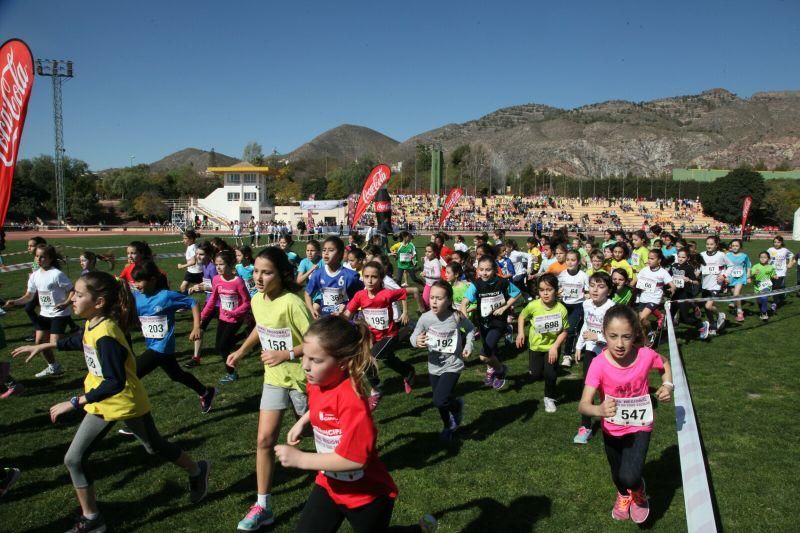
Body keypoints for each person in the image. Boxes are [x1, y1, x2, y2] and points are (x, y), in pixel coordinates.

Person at [11, 272, 210, 532]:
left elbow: (115, 382)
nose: (73, 298)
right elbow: (81, 340)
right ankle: (93, 519)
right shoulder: (94, 324)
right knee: (74, 459)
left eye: (79, 295)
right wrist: (46, 346)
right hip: (102, 401)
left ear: (99, 301)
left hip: (123, 401)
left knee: (154, 446)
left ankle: (197, 471)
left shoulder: (106, 333)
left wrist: (74, 402)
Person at [274, 316, 398, 532]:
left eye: (316, 360)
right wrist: (303, 421)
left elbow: (355, 459)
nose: (305, 366)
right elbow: (321, 407)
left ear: (342, 363)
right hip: (329, 485)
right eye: (305, 356)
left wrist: (301, 459)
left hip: (366, 496)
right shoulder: (318, 383)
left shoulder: (352, 402)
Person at [226, 247, 312, 531]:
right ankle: (263, 505)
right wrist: (241, 351)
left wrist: (286, 354)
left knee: (317, 433)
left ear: (281, 274)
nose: (259, 278)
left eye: (267, 272)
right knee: (264, 440)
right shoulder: (256, 300)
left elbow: (316, 344)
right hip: (274, 378)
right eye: (256, 271)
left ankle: (348, 466)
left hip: (304, 381)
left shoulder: (293, 303)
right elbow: (261, 327)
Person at [577, 305, 673, 524]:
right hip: (612, 428)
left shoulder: (645, 355)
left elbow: (664, 363)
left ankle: (638, 492)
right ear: (603, 333)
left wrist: (667, 386)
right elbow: (583, 405)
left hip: (640, 425)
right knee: (617, 473)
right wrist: (598, 410)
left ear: (636, 335)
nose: (620, 344)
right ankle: (623, 495)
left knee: (630, 476)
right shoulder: (598, 364)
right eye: (613, 337)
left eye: (626, 337)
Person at [129, 260, 215, 413]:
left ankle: (137, 417)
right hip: (152, 344)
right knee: (177, 375)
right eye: (134, 281)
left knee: (131, 375)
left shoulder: (166, 296)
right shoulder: (137, 296)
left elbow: (192, 302)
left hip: (161, 347)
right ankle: (205, 392)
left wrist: (196, 326)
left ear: (152, 280)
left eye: (139, 281)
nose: (136, 284)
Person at [343, 261, 414, 410]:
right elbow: (347, 314)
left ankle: (376, 390)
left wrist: (411, 309)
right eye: (366, 276)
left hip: (390, 335)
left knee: (372, 357)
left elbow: (410, 292)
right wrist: (337, 324)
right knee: (386, 359)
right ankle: (407, 372)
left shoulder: (386, 294)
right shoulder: (360, 295)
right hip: (372, 337)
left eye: (374, 277)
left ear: (381, 278)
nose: (369, 280)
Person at [411, 281, 474, 441]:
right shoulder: (425, 318)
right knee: (441, 401)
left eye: (439, 298)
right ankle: (448, 426)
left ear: (448, 300)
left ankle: (456, 407)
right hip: (434, 366)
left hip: (453, 364)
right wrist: (416, 341)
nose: (434, 301)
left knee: (439, 400)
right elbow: (414, 335)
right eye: (432, 297)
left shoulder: (456, 316)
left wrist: (468, 345)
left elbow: (470, 329)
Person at [4, 244, 74, 378]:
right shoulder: (35, 275)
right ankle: (53, 367)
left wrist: (65, 303)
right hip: (44, 314)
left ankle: (79, 337)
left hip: (59, 313)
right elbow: (29, 296)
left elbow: (72, 291)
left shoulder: (57, 274)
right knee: (40, 342)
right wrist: (15, 302)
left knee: (54, 343)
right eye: (37, 256)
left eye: (43, 257)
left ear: (50, 258)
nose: (39, 259)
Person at [461, 255, 521, 390]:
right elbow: (464, 303)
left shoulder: (502, 282)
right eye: (481, 269)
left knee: (483, 355)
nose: (484, 273)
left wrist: (504, 307)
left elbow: (517, 293)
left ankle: (500, 370)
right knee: (490, 350)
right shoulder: (476, 284)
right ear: (477, 270)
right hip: (483, 323)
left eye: (488, 270)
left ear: (494, 269)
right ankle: (490, 371)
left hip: (498, 323)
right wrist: (465, 318)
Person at [516, 273, 568, 413]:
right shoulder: (533, 305)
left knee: (550, 374)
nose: (545, 293)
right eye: (542, 290)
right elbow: (521, 316)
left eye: (549, 289)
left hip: (552, 347)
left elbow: (565, 331)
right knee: (535, 374)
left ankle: (549, 398)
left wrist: (555, 347)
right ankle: (538, 370)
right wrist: (521, 333)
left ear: (556, 290)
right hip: (536, 347)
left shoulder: (561, 309)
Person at [573, 271, 615, 444]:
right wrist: (578, 346)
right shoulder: (587, 304)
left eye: (601, 286)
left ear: (609, 290)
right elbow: (586, 325)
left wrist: (598, 338)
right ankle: (585, 427)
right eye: (592, 286)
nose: (595, 290)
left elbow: (616, 336)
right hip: (590, 353)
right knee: (587, 389)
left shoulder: (612, 308)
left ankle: (612, 421)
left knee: (608, 389)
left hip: (608, 354)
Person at [201, 250, 251, 384]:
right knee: (219, 346)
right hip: (223, 317)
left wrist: (235, 313)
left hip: (235, 319)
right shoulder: (216, 279)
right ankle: (245, 334)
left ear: (230, 265)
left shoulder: (238, 282)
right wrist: (203, 315)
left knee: (223, 347)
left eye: (221, 264)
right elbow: (212, 299)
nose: (218, 267)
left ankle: (231, 374)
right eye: (216, 264)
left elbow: (247, 302)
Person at [304, 236, 363, 319]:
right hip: (325, 319)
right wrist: (312, 310)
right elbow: (307, 293)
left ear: (340, 254)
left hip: (345, 320)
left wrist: (348, 311)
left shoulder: (351, 276)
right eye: (324, 250)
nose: (326, 253)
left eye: (331, 250)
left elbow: (360, 297)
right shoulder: (318, 274)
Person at [185, 241, 217, 368]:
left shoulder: (213, 267)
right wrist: (198, 286)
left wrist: (201, 288)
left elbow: (218, 287)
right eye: (197, 254)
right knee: (199, 327)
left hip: (219, 305)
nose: (198, 256)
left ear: (209, 255)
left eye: (201, 254)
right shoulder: (204, 266)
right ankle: (196, 357)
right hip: (210, 303)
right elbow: (209, 285)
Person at [634, 249, 674, 347]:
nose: (649, 260)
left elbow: (672, 285)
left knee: (641, 318)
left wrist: (671, 289)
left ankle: (647, 342)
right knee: (642, 322)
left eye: (652, 258)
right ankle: (650, 333)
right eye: (648, 258)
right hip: (643, 298)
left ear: (659, 260)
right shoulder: (644, 270)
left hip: (654, 300)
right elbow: (636, 281)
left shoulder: (663, 272)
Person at [558, 250, 589, 368]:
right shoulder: (562, 274)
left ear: (578, 261)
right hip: (564, 305)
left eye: (573, 260)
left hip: (578, 305)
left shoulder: (583, 276)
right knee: (562, 330)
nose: (570, 263)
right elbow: (558, 288)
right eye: (568, 260)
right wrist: (558, 292)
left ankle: (567, 356)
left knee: (570, 330)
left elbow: (587, 291)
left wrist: (587, 295)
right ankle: (574, 346)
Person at [669, 249, 709, 339]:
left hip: (685, 295)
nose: (681, 259)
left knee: (684, 318)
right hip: (675, 294)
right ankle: (670, 336)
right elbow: (668, 277)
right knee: (670, 315)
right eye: (679, 257)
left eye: (683, 257)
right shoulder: (674, 266)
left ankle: (701, 325)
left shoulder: (689, 268)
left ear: (687, 258)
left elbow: (697, 282)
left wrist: (689, 280)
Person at [699, 235, 732, 336]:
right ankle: (713, 326)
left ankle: (720, 315)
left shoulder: (721, 255)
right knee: (706, 308)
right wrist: (697, 272)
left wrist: (724, 275)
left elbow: (730, 266)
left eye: (711, 244)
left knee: (708, 306)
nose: (709, 246)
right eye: (707, 244)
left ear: (716, 245)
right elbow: (699, 267)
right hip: (705, 284)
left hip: (716, 284)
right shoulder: (702, 254)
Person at [725, 239, 751, 322]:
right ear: (731, 247)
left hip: (741, 277)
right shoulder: (727, 255)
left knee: (736, 294)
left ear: (740, 247)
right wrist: (725, 277)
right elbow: (724, 266)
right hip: (731, 278)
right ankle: (736, 304)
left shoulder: (744, 256)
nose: (735, 247)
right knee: (735, 294)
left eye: (737, 246)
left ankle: (739, 312)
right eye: (733, 246)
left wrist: (748, 276)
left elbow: (748, 266)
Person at [767, 236, 795, 310]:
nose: (776, 244)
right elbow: (765, 257)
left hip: (781, 272)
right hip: (771, 271)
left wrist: (790, 263)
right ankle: (781, 293)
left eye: (778, 242)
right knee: (772, 286)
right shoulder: (770, 249)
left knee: (776, 287)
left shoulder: (785, 250)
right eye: (775, 242)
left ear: (781, 242)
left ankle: (774, 303)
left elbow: (791, 255)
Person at [750, 251, 778, 321]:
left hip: (767, 286)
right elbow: (750, 274)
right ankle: (762, 311)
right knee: (759, 301)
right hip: (757, 286)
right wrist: (753, 273)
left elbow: (773, 274)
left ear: (768, 259)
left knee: (764, 297)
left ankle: (764, 312)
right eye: (761, 257)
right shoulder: (756, 266)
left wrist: (775, 276)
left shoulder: (771, 267)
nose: (763, 259)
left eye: (765, 257)